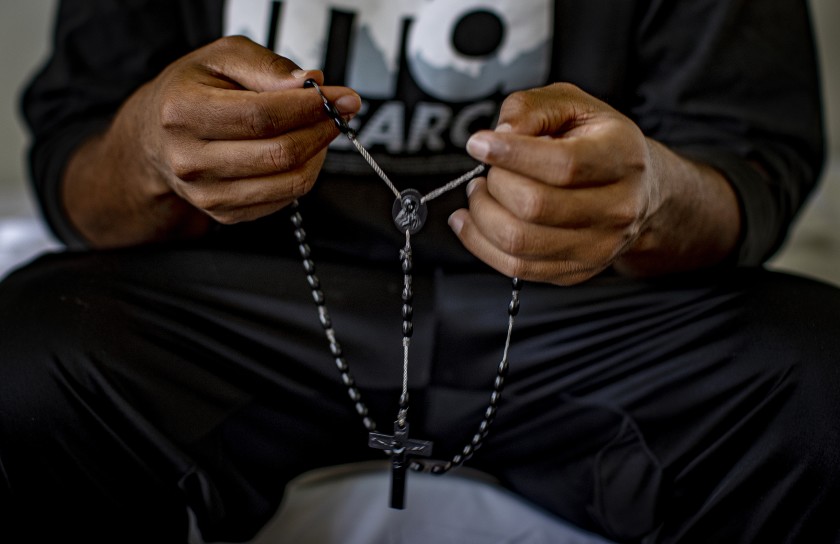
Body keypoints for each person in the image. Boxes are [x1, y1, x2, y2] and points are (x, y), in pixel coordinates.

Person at [2, 0, 838, 542]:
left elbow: (750, 169)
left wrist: (650, 196)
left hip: (589, 315)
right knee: (24, 358)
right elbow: (77, 170)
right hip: (243, 308)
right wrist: (149, 154)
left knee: (822, 377)